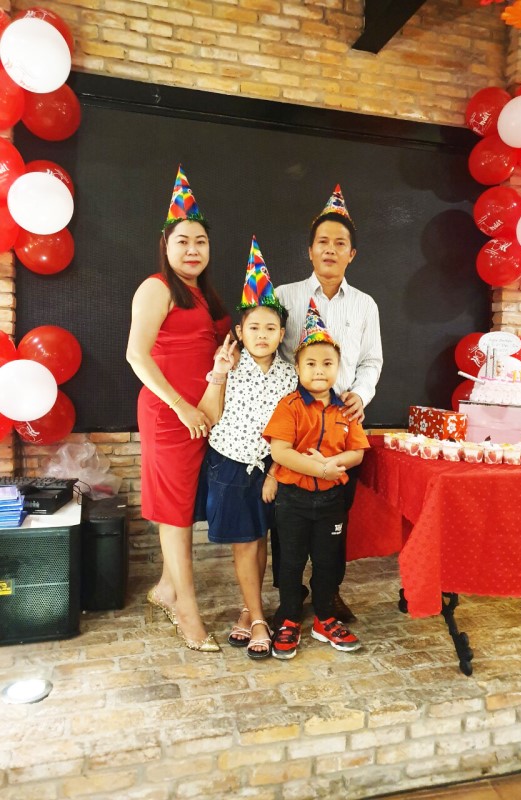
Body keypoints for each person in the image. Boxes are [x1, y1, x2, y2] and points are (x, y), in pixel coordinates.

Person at [126, 165, 230, 653]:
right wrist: (181, 407)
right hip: (170, 416)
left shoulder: (204, 295)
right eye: (183, 241)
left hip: (202, 414)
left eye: (201, 242)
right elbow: (136, 355)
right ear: (166, 246)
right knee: (175, 513)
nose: (193, 249)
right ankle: (187, 611)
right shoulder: (157, 287)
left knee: (186, 505)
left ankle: (167, 588)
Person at [274, 185, 383, 621]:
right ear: (310, 250)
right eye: (323, 242)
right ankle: (289, 595)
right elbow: (269, 354)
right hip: (294, 426)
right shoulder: (285, 297)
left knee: (335, 519)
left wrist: (362, 394)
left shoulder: (365, 305)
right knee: (287, 520)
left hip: (343, 427)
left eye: (340, 243)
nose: (330, 250)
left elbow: (372, 360)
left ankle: (328, 592)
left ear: (351, 254)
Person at [196, 237, 297, 659]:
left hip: (270, 468)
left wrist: (275, 472)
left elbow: (293, 432)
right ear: (240, 332)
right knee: (244, 542)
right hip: (230, 465)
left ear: (281, 334)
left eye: (270, 328)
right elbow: (208, 415)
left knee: (261, 538)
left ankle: (247, 610)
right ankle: (258, 619)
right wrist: (219, 373)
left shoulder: (291, 376)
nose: (261, 334)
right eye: (253, 327)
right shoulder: (228, 366)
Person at [263, 300, 370, 660]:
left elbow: (357, 453)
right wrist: (320, 469)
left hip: (331, 503)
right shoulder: (289, 406)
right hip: (292, 500)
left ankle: (325, 617)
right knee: (290, 561)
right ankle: (289, 617)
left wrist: (332, 464)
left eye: (327, 363)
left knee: (328, 562)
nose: (319, 370)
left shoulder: (346, 410)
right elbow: (280, 452)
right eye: (310, 363)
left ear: (338, 368)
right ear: (298, 367)